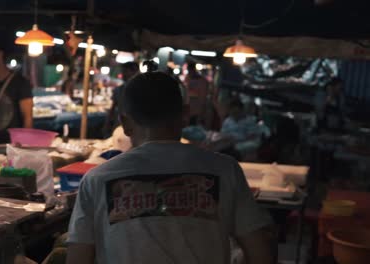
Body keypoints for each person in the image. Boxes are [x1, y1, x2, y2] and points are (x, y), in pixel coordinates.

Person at [66, 72, 275, 264]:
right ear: (185, 114)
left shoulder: (97, 179)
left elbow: (78, 258)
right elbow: (260, 251)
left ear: (125, 124)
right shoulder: (225, 170)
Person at [105, 62, 139, 133]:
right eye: (123, 71)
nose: (123, 74)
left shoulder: (141, 89)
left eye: (126, 71)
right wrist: (108, 122)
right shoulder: (119, 89)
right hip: (120, 125)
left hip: (137, 126)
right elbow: (113, 107)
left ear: (135, 71)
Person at [185, 62, 209, 126]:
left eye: (190, 70)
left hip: (198, 110)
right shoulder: (188, 78)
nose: (189, 72)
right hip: (190, 109)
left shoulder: (202, 81)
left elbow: (203, 97)